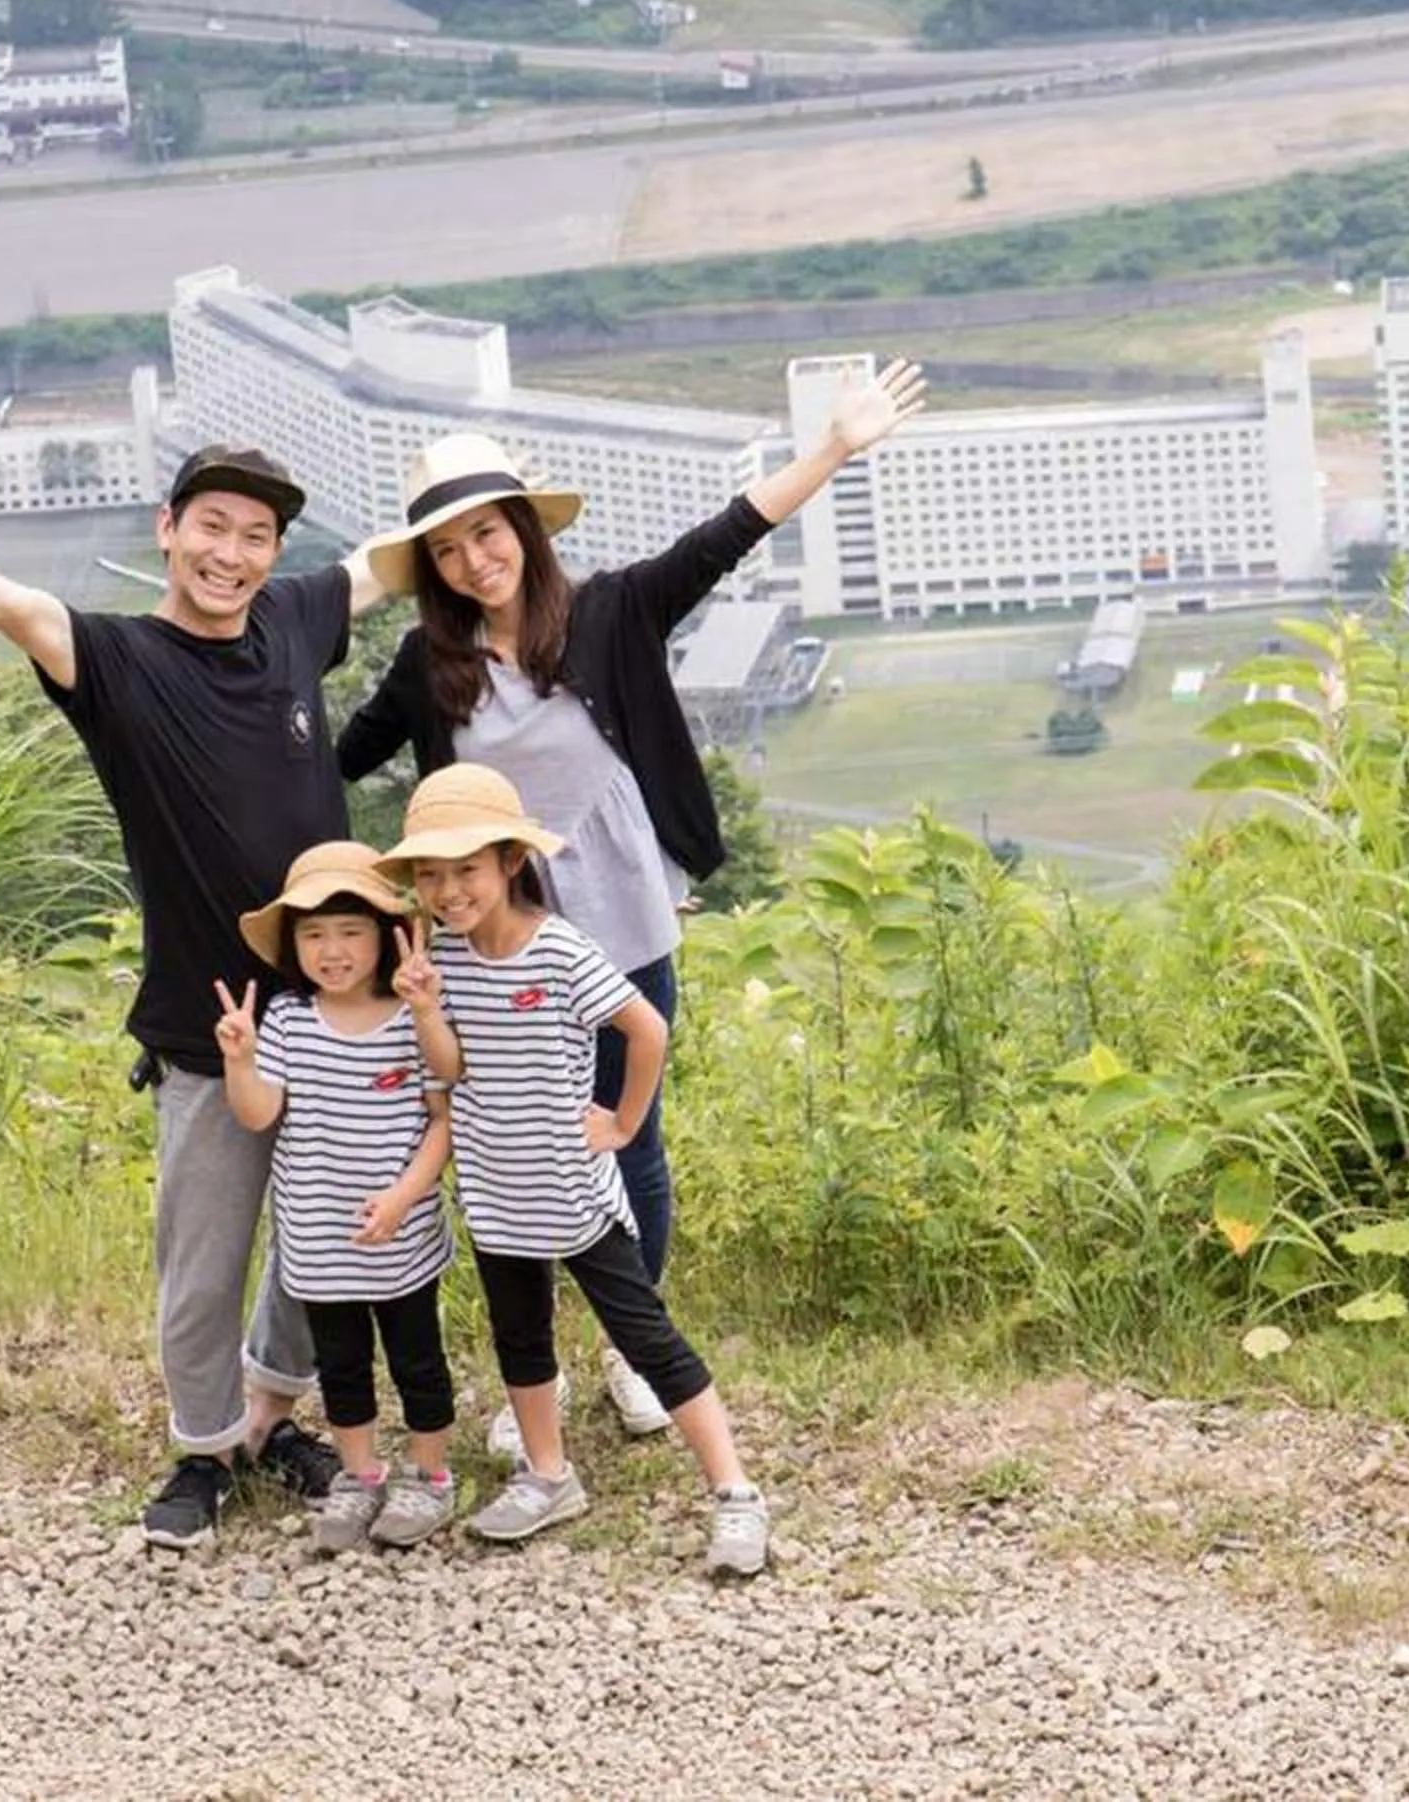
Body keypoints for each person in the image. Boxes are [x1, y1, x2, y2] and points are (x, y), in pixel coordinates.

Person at [0, 445, 392, 1547]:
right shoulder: (121, 661)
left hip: (337, 1018)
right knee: (204, 1263)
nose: (232, 553)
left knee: (327, 1243)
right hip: (207, 1025)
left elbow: (378, 569)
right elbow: (19, 607)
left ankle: (271, 1421)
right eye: (212, 527)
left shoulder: (298, 622)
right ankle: (207, 1448)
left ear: (274, 552)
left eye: (255, 536)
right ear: (169, 528)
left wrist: (479, 507)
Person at [338, 359, 924, 1449]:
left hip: (624, 906)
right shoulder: (428, 661)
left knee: (624, 1133)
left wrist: (836, 445)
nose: (475, 562)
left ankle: (634, 1347)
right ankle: (535, 1385)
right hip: (504, 934)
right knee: (513, 1142)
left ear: (526, 527)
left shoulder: (610, 608)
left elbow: (728, 532)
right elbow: (338, 748)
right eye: (448, 550)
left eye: (489, 534)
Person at [378, 764, 768, 1576]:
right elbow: (452, 1071)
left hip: (573, 1189)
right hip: (495, 1188)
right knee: (521, 1338)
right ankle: (549, 1475)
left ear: (510, 862)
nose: (449, 892)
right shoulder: (441, 955)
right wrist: (421, 1008)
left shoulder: (556, 948)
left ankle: (735, 1493)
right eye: (432, 875)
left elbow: (646, 1026)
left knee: (646, 1336)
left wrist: (623, 1123)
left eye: (467, 871)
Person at [215, 842, 457, 1552]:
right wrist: (241, 1060)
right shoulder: (289, 1021)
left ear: (386, 937)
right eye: (313, 934)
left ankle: (431, 1476)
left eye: (351, 931)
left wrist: (403, 1198)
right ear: (293, 947)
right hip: (319, 1242)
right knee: (342, 1367)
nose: (333, 950)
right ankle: (360, 1477)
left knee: (418, 1361)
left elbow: (446, 1115)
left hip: (402, 1238)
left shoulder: (410, 1019)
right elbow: (259, 1113)